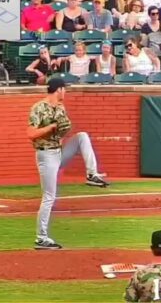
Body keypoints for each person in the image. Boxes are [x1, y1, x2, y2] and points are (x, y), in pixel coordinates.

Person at [27, 78, 109, 250]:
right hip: (46, 155)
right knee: (49, 196)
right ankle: (41, 238)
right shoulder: (38, 108)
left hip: (58, 152)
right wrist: (52, 127)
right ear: (59, 90)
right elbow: (31, 133)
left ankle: (91, 174)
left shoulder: (61, 108)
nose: (66, 93)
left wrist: (62, 129)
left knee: (82, 136)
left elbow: (62, 130)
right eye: (65, 90)